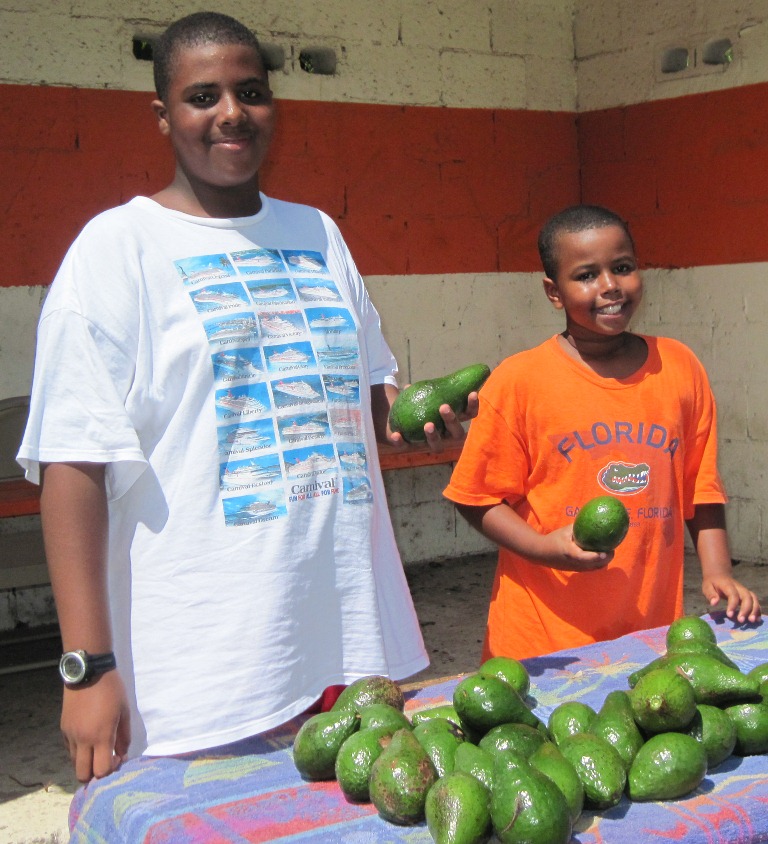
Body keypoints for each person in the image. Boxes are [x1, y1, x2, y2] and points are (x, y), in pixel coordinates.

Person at [17, 11, 476, 783]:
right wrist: (87, 666)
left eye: (251, 90)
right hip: (203, 671)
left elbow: (363, 403)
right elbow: (72, 463)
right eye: (203, 96)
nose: (231, 112)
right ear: (164, 115)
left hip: (348, 645)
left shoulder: (318, 233)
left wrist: (414, 416)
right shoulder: (116, 250)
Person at [443, 204, 761, 663]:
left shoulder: (679, 367)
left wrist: (717, 572)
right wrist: (545, 549)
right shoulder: (520, 381)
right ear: (554, 292)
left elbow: (701, 486)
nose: (610, 286)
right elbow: (475, 497)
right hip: (540, 647)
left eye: (623, 268)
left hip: (647, 639)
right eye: (587, 275)